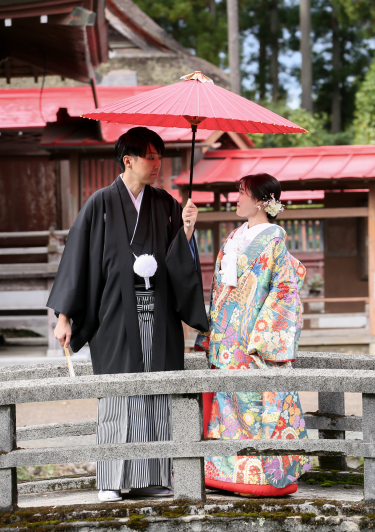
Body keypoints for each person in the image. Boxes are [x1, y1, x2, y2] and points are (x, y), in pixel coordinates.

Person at [47, 127, 209, 502]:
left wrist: (185, 230)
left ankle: (149, 476)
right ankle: (109, 478)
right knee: (119, 393)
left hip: (158, 314)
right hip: (116, 314)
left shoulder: (166, 203)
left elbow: (176, 262)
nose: (157, 164)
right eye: (151, 157)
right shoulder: (100, 203)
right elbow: (78, 260)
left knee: (155, 392)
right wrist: (65, 316)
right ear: (129, 160)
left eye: (159, 157)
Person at [196, 173, 311, 497]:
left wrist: (264, 335)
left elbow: (285, 289)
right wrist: (212, 330)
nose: (238, 199)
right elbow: (220, 288)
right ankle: (226, 475)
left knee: (255, 405)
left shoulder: (274, 238)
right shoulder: (234, 237)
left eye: (243, 194)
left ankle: (259, 477)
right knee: (227, 407)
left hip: (252, 338)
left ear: (261, 201)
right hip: (227, 337)